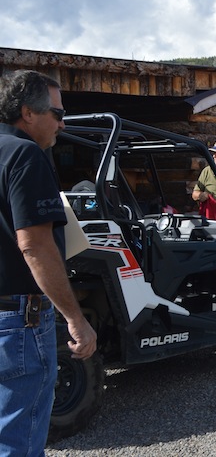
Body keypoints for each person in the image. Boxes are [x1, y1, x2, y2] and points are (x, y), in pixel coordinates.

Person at [0, 70, 97, 454]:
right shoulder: (25, 154)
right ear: (27, 112)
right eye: (57, 114)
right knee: (18, 440)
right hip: (19, 319)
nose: (62, 122)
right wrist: (76, 319)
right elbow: (35, 246)